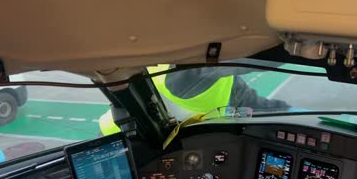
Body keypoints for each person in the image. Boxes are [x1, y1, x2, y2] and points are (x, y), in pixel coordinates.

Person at [99, 63, 292, 135]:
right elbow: (247, 58)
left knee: (278, 112)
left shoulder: (110, 126)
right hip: (230, 100)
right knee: (281, 113)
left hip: (224, 99)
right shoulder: (183, 76)